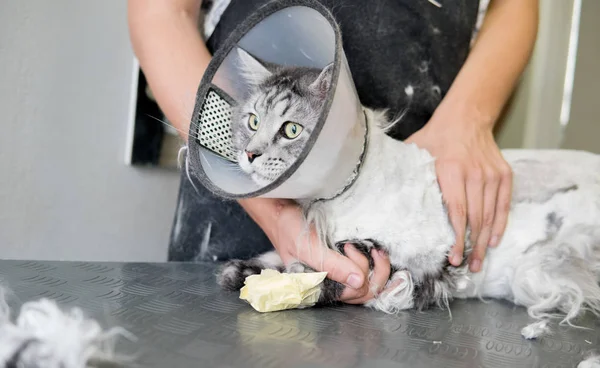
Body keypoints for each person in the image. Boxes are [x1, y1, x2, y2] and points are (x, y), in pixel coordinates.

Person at [128, 0, 539, 305]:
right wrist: (275, 213)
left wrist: (469, 119)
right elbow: (160, 14)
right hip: (240, 216)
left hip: (407, 207)